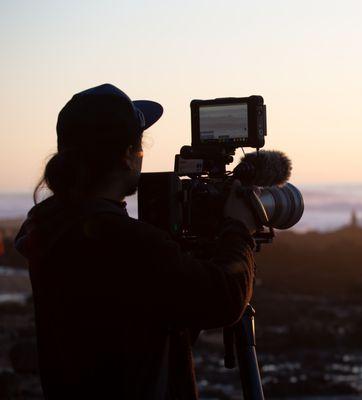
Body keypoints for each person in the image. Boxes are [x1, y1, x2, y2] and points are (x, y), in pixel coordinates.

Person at [14, 84, 258, 400]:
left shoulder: (49, 227)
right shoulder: (126, 241)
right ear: (129, 156)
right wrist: (238, 228)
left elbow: (143, 311)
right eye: (139, 146)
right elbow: (224, 298)